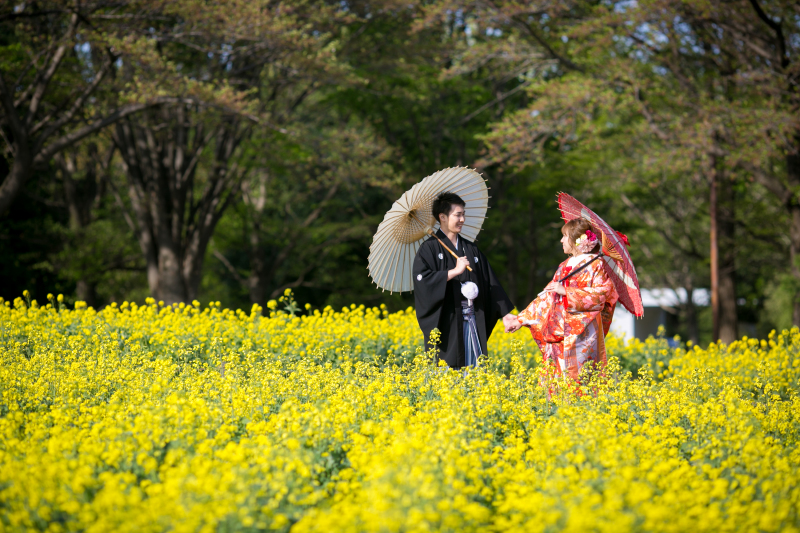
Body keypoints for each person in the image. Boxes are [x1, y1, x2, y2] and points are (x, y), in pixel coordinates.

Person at [412, 192, 518, 369]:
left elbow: (490, 283)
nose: (462, 219)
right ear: (442, 217)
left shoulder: (471, 249)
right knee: (449, 372)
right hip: (448, 322)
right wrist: (454, 272)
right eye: (458, 215)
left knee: (474, 369)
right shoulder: (428, 249)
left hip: (472, 321)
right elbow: (424, 282)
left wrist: (505, 315)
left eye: (463, 214)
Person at [511, 218, 618, 383]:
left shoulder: (596, 264)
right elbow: (547, 297)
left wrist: (567, 292)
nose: (561, 240)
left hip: (581, 334)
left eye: (565, 236)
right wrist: (521, 319)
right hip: (557, 329)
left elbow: (601, 295)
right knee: (555, 380)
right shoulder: (564, 265)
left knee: (579, 380)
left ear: (576, 240)